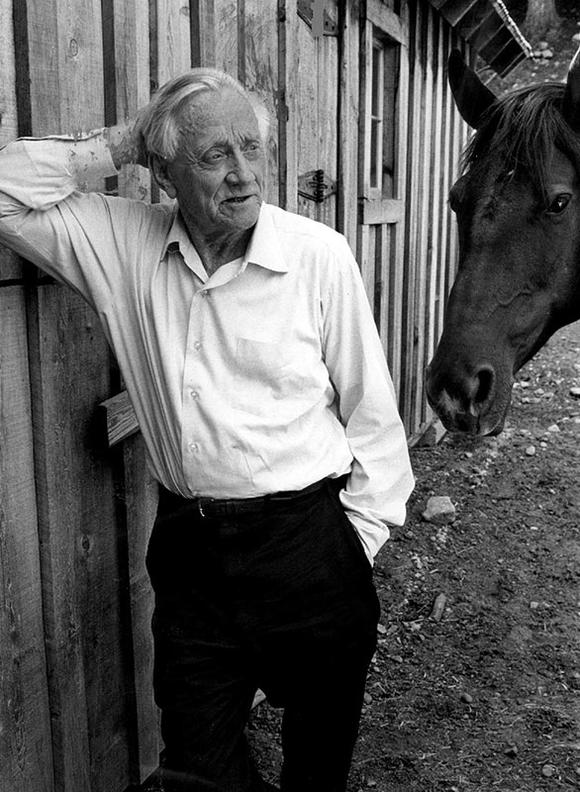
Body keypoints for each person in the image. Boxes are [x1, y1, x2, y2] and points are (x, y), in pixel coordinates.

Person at [0, 68, 414, 791]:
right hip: (192, 555)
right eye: (214, 155)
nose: (243, 174)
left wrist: (354, 543)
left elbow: (374, 420)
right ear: (162, 171)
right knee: (200, 768)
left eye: (252, 148)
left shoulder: (317, 256)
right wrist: (122, 141)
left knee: (317, 767)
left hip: (310, 543)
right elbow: (5, 190)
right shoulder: (122, 245)